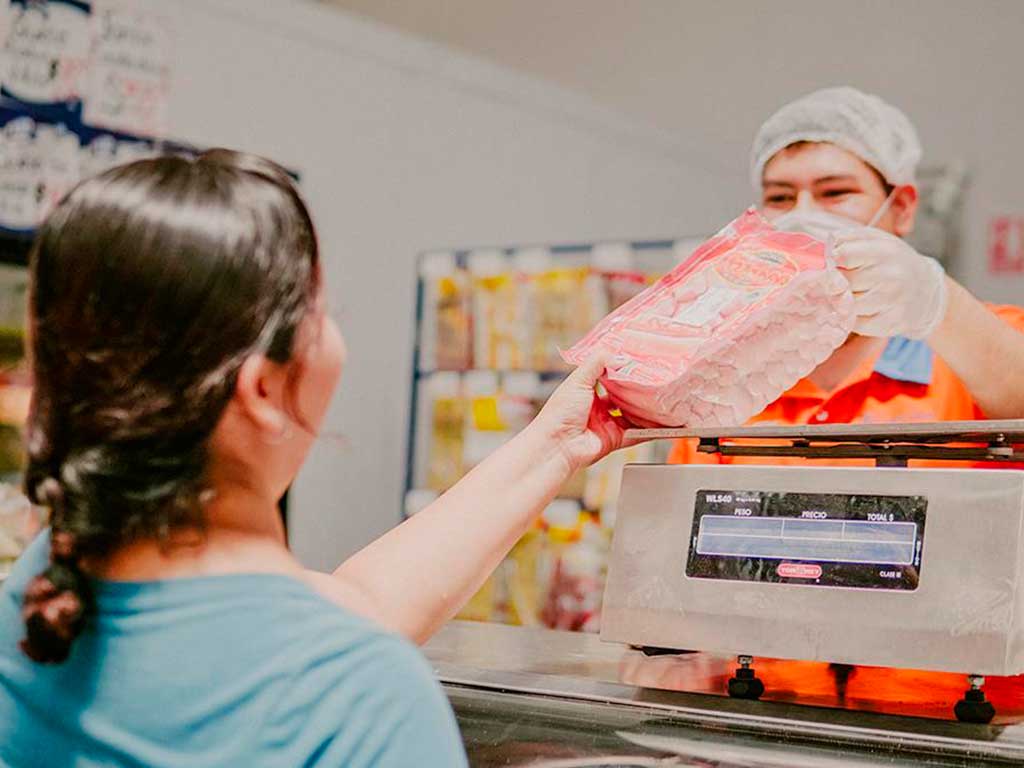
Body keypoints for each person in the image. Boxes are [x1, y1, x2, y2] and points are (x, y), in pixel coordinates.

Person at [0, 150, 630, 766]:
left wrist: (557, 444)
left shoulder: (45, 593)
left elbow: (359, 604)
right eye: (323, 313)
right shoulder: (364, 702)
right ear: (263, 390)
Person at [670, 87, 1024, 467]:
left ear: (902, 207)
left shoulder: (983, 344)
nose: (802, 218)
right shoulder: (730, 379)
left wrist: (938, 304)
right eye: (780, 198)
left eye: (835, 192)